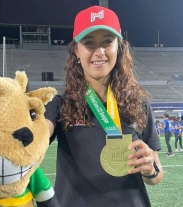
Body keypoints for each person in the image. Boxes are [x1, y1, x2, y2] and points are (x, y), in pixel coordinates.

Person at [44, 5, 163, 207]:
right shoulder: (59, 105)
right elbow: (35, 138)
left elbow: (155, 176)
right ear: (76, 51)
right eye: (89, 43)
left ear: (119, 47)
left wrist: (150, 168)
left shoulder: (139, 103)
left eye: (107, 42)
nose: (99, 52)